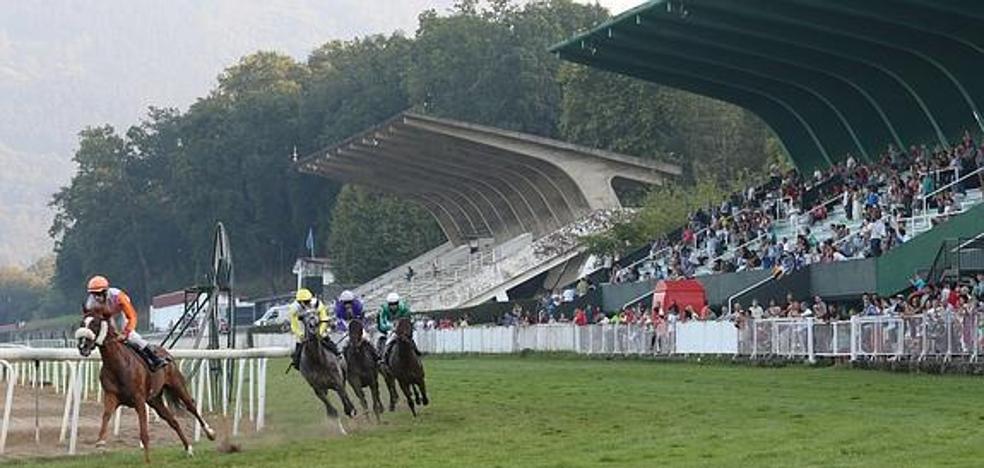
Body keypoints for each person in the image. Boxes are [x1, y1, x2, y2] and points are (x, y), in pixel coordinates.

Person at [83, 275, 166, 370]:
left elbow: (132, 316)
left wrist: (125, 333)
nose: (96, 297)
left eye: (98, 294)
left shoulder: (118, 296)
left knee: (132, 336)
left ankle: (154, 358)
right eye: (93, 294)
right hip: (108, 315)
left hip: (121, 311)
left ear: (105, 291)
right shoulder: (91, 302)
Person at [288, 288, 340, 371]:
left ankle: (337, 354)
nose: (307, 304)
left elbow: (324, 319)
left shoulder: (318, 304)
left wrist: (320, 332)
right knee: (298, 349)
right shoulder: (293, 309)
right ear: (299, 302)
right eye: (305, 302)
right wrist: (301, 335)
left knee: (326, 339)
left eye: (308, 301)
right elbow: (294, 326)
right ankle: (297, 361)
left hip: (318, 325)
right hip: (302, 326)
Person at [377, 292, 420, 362]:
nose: (393, 306)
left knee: (409, 338)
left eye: (395, 303)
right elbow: (382, 324)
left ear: (398, 303)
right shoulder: (383, 310)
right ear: (388, 304)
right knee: (388, 340)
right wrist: (391, 328)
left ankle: (416, 352)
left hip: (400, 327)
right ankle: (383, 357)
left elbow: (407, 321)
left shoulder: (404, 308)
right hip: (389, 327)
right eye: (391, 304)